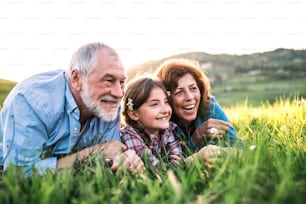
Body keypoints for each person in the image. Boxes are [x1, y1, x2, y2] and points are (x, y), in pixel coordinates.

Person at [0, 42, 145, 176]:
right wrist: (94, 152)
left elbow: (112, 153)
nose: (119, 93)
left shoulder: (108, 104)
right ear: (77, 79)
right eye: (108, 81)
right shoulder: (31, 102)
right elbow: (18, 173)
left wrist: (125, 158)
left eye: (121, 82)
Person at [154, 58, 242, 153]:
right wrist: (196, 138)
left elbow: (239, 147)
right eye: (179, 92)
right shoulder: (161, 119)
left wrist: (222, 152)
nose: (190, 97)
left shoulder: (210, 107)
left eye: (193, 88)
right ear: (166, 98)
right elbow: (171, 162)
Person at [121, 77, 183, 168]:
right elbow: (154, 168)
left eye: (166, 102)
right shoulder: (129, 135)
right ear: (134, 114)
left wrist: (178, 164)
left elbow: (178, 157)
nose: (165, 110)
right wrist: (175, 166)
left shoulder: (166, 129)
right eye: (154, 104)